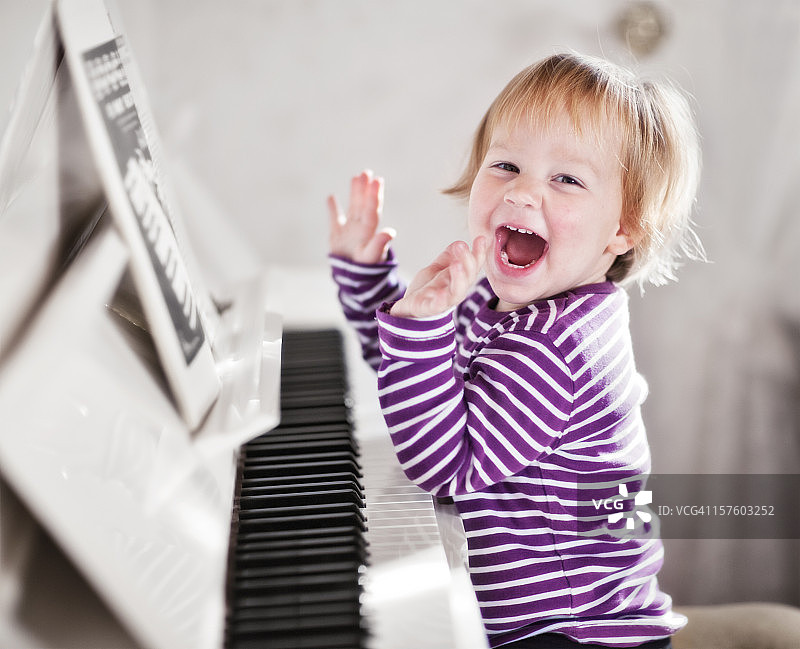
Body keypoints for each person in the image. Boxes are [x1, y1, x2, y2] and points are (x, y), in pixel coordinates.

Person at [327, 52, 702, 649]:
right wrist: (371, 279)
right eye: (505, 165)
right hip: (535, 620)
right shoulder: (502, 298)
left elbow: (445, 467)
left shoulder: (558, 348)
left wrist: (419, 331)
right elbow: (416, 382)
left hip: (575, 633)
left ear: (623, 228)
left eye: (567, 179)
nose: (523, 192)